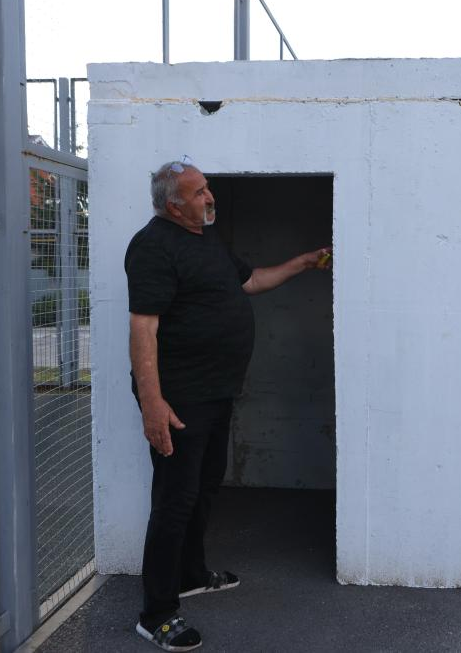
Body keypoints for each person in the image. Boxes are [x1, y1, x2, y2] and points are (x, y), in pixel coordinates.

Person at [125, 159, 331, 651]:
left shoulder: (206, 241)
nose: (209, 197)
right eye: (199, 192)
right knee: (174, 501)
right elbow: (143, 327)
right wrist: (152, 404)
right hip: (180, 400)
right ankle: (157, 613)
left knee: (204, 488)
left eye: (208, 188)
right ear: (174, 205)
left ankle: (191, 575)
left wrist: (303, 263)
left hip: (216, 393)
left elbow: (250, 281)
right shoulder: (152, 246)